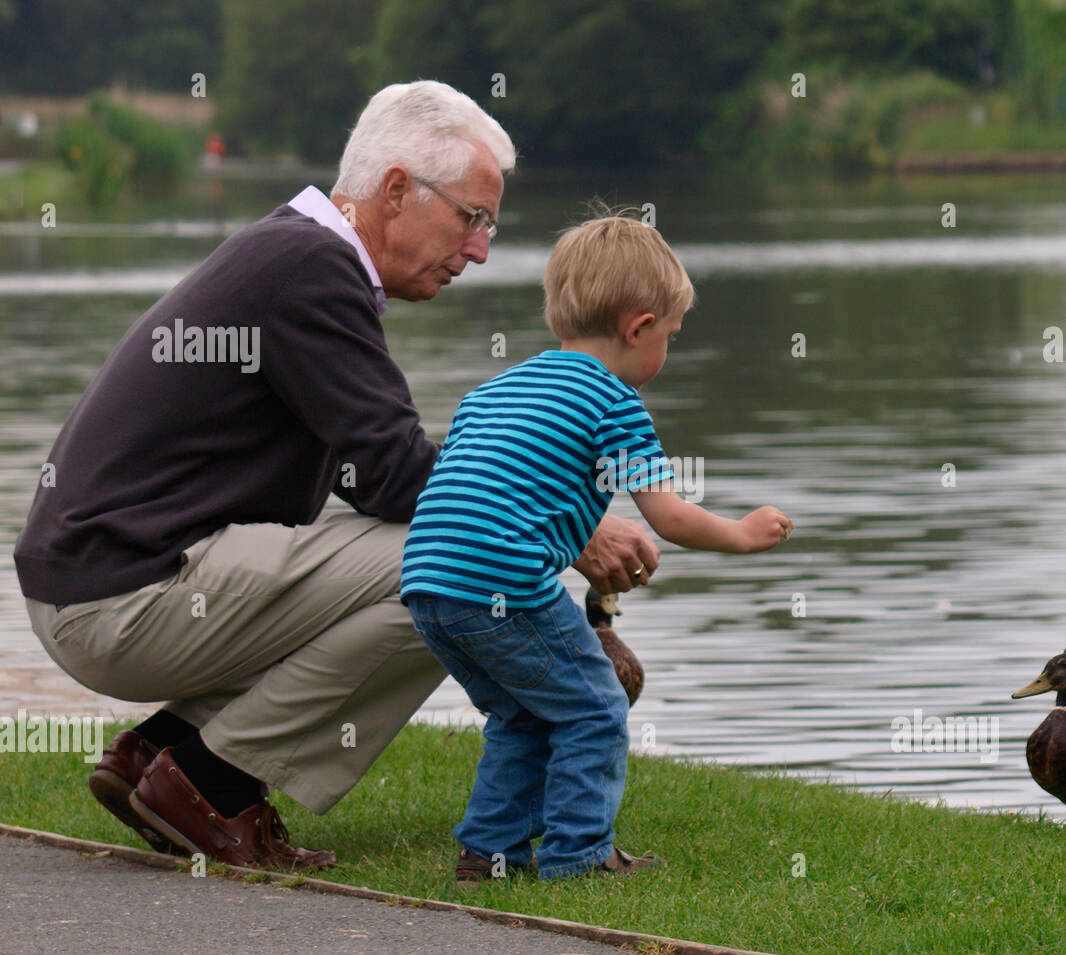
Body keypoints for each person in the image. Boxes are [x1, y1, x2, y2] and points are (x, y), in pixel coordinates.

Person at [13, 82, 659, 871]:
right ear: (396, 191)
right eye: (472, 217)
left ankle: (162, 753)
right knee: (455, 563)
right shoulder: (310, 269)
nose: (482, 249)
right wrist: (571, 526)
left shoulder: (296, 254)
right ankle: (210, 784)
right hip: (120, 599)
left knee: (433, 545)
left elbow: (376, 474)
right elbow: (399, 477)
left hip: (105, 582)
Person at [401, 215, 794, 882]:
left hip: (428, 583)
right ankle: (580, 856)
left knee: (524, 711)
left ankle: (488, 854)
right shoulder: (614, 401)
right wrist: (742, 533)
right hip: (504, 584)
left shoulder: (492, 392)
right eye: (669, 336)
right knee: (596, 705)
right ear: (638, 328)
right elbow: (667, 517)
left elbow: (470, 488)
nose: (665, 352)